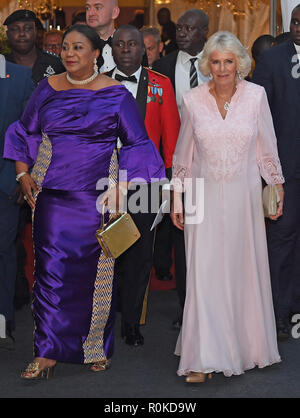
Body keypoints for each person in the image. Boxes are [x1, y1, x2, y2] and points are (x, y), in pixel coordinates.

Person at [4, 24, 165, 379]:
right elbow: (24, 132)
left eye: (78, 47)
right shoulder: (46, 89)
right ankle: (46, 352)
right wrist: (22, 173)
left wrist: (121, 190)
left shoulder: (116, 94)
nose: (69, 53)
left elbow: (138, 145)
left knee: (96, 277)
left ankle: (96, 347)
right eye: (65, 47)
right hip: (52, 201)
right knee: (49, 276)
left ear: (96, 53)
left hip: (98, 202)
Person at [171, 31, 284, 383]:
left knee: (239, 272)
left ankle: (244, 345)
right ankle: (202, 358)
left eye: (229, 61)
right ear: (207, 64)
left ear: (240, 64)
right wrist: (177, 196)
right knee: (204, 275)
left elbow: (267, 147)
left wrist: (276, 188)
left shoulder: (256, 96)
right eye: (216, 61)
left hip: (244, 198)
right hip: (202, 199)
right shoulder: (191, 100)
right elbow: (183, 155)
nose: (222, 68)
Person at [107, 25, 180, 345]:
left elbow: (172, 139)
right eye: (120, 44)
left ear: (144, 50)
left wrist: (170, 186)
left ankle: (132, 323)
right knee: (106, 250)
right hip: (104, 181)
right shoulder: (98, 82)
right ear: (113, 48)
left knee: (138, 255)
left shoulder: (161, 85)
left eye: (132, 45)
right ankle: (103, 317)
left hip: (147, 183)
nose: (126, 50)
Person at [153, 9, 209, 328]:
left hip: (215, 165)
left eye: (190, 29)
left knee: (213, 237)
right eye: (180, 28)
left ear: (205, 32)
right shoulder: (161, 66)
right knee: (182, 237)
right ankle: (187, 307)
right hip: (177, 165)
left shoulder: (219, 64)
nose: (182, 33)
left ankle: (213, 303)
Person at [252, 4, 300, 339]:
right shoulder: (272, 60)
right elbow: (257, 119)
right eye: (295, 22)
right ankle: (278, 313)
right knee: (281, 241)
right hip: (285, 171)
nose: (298, 28)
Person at [0, 52, 34, 351]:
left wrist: (22, 176)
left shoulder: (20, 77)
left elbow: (29, 133)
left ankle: (2, 322)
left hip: (5, 184)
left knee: (2, 251)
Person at [4, 10, 65, 85]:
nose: (22, 34)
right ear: (8, 34)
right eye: (15, 29)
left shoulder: (56, 65)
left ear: (35, 32)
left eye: (27, 29)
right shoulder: (3, 65)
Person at [86, 0, 120, 72]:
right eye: (87, 8)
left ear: (114, 12)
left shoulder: (130, 45)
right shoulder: (79, 46)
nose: (91, 13)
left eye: (98, 8)